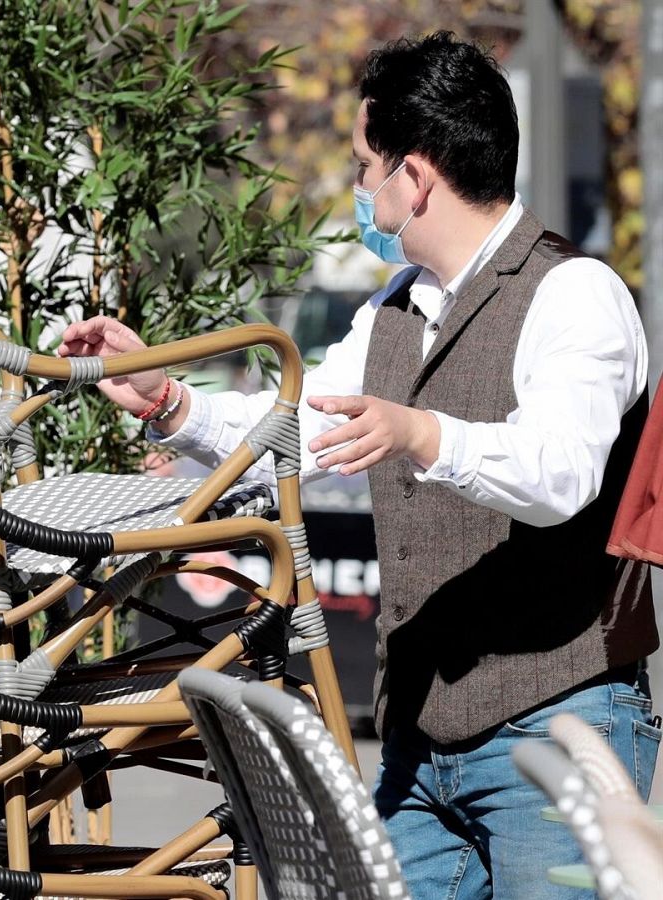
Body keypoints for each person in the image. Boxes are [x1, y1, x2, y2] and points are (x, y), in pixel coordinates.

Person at [61, 33, 657, 898]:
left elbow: (560, 475)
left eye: (363, 166)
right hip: (417, 750)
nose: (357, 190)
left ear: (413, 179)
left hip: (563, 728)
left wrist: (422, 434)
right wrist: (170, 402)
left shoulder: (576, 294)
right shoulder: (393, 309)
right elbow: (293, 430)